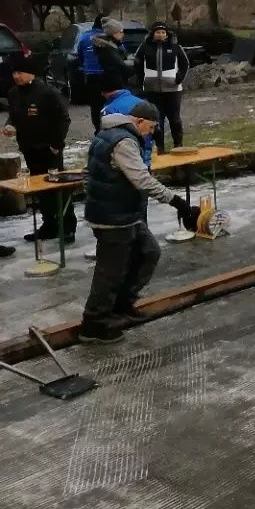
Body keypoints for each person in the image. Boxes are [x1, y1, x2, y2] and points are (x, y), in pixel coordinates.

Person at [79, 100, 196, 344]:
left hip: (124, 212)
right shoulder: (123, 141)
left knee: (148, 252)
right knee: (109, 271)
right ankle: (94, 323)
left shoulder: (109, 134)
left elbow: (88, 173)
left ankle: (122, 303)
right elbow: (142, 179)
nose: (151, 133)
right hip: (114, 217)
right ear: (139, 121)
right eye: (151, 128)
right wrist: (178, 202)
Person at [4, 53, 76, 243]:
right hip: (29, 147)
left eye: (20, 72)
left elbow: (63, 119)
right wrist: (11, 125)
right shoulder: (13, 93)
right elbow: (13, 115)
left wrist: (56, 144)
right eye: (14, 73)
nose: (16, 76)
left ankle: (67, 226)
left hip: (49, 148)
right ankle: (49, 224)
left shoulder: (48, 92)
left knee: (57, 187)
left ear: (31, 73)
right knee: (40, 188)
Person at [134, 21, 190, 153]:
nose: (161, 34)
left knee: (174, 119)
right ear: (153, 34)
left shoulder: (175, 47)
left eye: (163, 32)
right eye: (158, 32)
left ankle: (178, 145)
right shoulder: (144, 47)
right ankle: (160, 148)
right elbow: (137, 64)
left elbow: (185, 64)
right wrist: (141, 81)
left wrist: (179, 78)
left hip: (173, 90)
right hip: (152, 90)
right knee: (156, 120)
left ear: (167, 34)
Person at [100, 75, 153, 167]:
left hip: (123, 162)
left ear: (104, 92)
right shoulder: (143, 103)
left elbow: (107, 138)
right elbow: (154, 130)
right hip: (144, 158)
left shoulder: (109, 109)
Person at [75, 13, 108, 131]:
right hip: (107, 75)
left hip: (91, 75)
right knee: (110, 103)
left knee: (95, 106)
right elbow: (121, 53)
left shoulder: (84, 37)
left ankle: (98, 129)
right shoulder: (109, 37)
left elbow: (79, 55)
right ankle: (110, 128)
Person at [93, 19, 133, 89]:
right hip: (114, 84)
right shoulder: (108, 49)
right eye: (121, 32)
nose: (123, 34)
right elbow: (121, 65)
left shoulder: (115, 45)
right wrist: (135, 68)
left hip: (116, 81)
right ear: (114, 33)